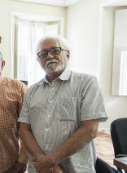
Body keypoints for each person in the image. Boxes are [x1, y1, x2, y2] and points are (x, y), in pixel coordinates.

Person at [18, 35, 108, 173]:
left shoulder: (87, 83)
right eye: (43, 53)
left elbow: (90, 130)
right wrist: (48, 164)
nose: (49, 56)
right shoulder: (32, 91)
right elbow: (24, 130)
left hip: (76, 169)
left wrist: (51, 160)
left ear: (67, 54)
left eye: (55, 50)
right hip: (40, 168)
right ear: (38, 60)